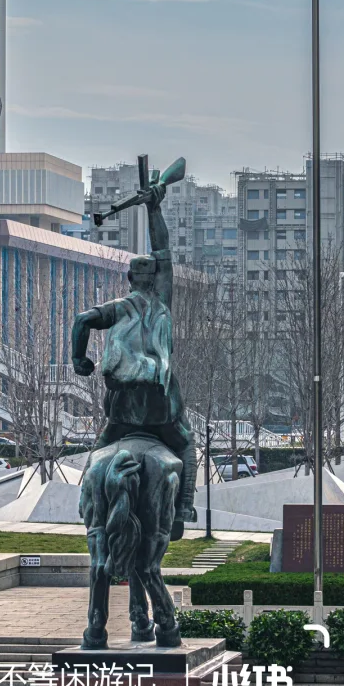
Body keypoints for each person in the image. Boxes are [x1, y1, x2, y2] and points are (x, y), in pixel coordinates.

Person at [71, 175, 197, 539]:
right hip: (160, 403)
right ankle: (184, 504)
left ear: (128, 278)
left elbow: (82, 321)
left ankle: (87, 497)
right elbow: (164, 248)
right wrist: (154, 207)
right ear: (156, 277)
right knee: (186, 444)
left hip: (122, 405)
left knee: (102, 446)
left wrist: (80, 361)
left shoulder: (118, 308)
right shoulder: (162, 302)